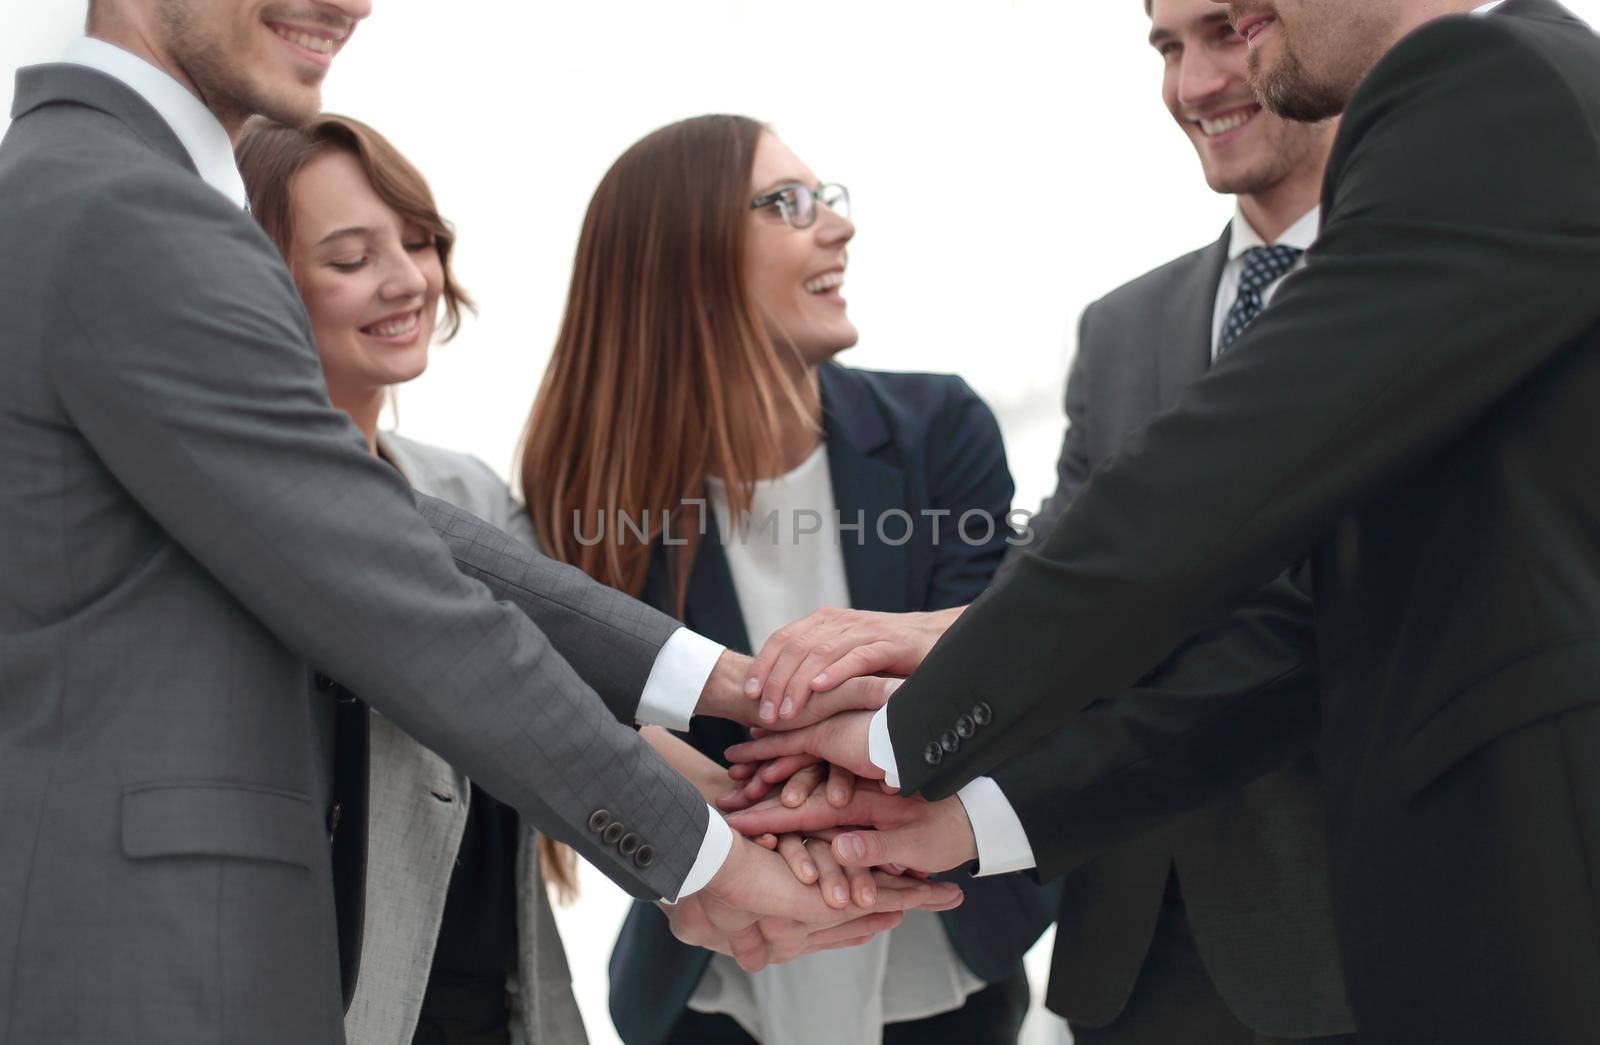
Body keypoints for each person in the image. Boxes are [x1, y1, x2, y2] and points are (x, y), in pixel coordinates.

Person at [0, 1, 959, 1038]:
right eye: (350, 254)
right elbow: (398, 596)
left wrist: (730, 686)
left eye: (416, 243)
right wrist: (706, 860)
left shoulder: (107, 191)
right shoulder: (123, 207)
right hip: (156, 968)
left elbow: (405, 533)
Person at [725, 0, 1600, 1040]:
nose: (1207, 76)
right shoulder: (1131, 322)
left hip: (1508, 882)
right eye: (1174, 43)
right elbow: (1263, 615)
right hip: (1209, 949)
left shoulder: (1487, 78)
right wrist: (953, 799)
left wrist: (909, 732)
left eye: (1247, 20)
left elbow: (1206, 497)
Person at [518, 114, 1052, 1045]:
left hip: (947, 967)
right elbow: (577, 722)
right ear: (680, 260)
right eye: (784, 204)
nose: (836, 227)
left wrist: (767, 792)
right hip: (713, 993)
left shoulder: (942, 428)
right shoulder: (589, 492)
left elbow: (997, 677)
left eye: (826, 200)